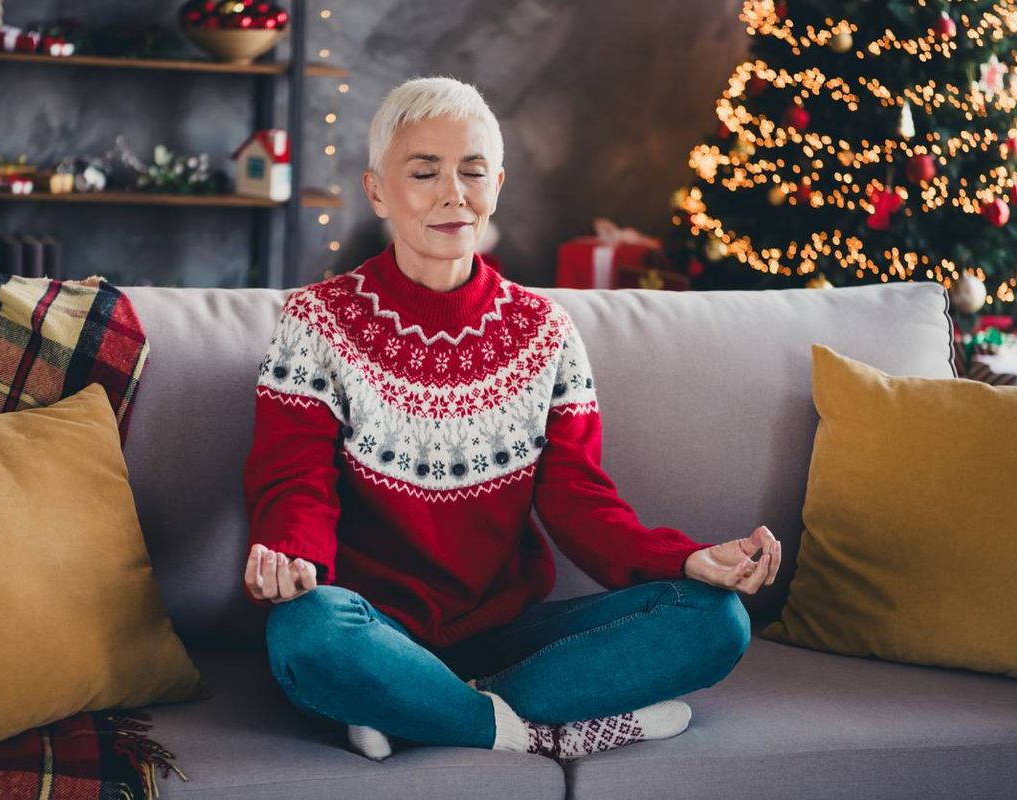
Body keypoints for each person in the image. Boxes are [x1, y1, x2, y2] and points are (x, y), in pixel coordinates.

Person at [241, 76, 781, 763]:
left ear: (495, 184)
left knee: (716, 621)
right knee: (306, 634)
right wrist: (291, 555)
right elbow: (293, 479)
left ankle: (421, 707)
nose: (452, 193)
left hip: (508, 631)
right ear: (378, 190)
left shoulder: (546, 331)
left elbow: (578, 497)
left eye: (471, 171)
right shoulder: (315, 320)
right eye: (423, 171)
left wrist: (683, 558)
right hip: (370, 625)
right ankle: (532, 730)